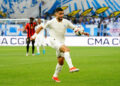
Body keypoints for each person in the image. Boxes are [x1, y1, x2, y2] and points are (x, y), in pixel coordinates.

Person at [31, 8, 89, 82]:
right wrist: (34, 36)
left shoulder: (66, 22)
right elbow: (41, 27)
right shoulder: (51, 22)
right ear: (56, 14)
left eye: (62, 13)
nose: (62, 15)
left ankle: (55, 76)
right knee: (66, 50)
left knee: (61, 61)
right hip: (53, 41)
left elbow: (75, 28)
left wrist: (83, 33)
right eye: (60, 14)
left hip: (61, 42)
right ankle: (71, 67)